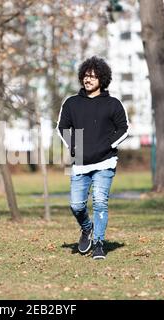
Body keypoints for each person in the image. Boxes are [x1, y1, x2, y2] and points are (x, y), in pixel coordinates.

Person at [56, 56, 130, 260]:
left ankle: (98, 243)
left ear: (102, 79)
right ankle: (86, 229)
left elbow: (124, 129)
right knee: (76, 205)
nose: (88, 80)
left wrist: (107, 145)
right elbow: (62, 127)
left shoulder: (113, 104)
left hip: (105, 162)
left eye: (93, 76)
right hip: (80, 162)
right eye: (86, 76)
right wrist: (73, 145)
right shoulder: (71, 103)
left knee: (100, 202)